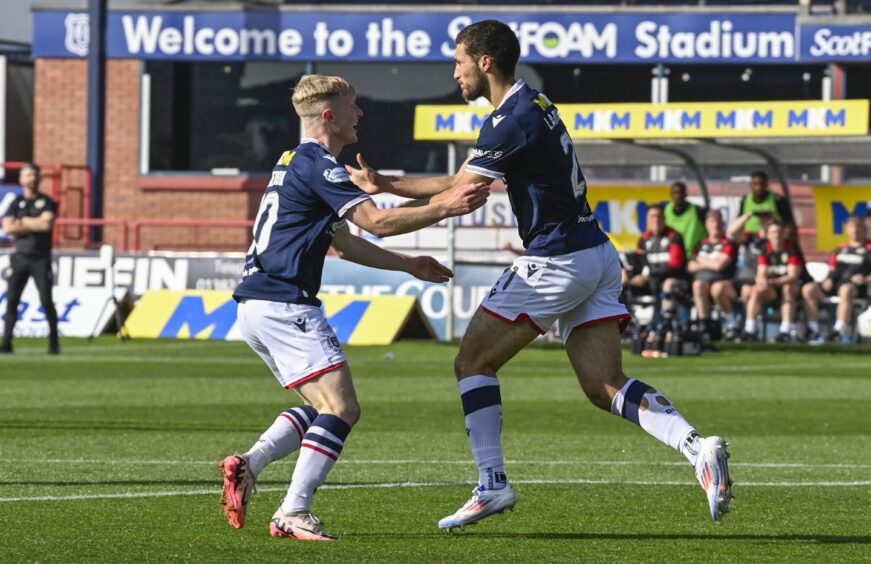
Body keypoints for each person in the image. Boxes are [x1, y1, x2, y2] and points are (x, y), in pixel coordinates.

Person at [348, 20, 732, 529]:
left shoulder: (508, 121)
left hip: (555, 261)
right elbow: (463, 177)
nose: (454, 71)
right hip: (594, 251)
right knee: (603, 385)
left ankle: (491, 484)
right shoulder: (536, 105)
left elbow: (458, 192)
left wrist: (380, 217)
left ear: (485, 62)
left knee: (472, 362)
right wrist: (389, 184)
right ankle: (697, 447)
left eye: (459, 60)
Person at [218, 75, 489, 541]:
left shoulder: (293, 161)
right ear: (329, 116)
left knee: (319, 405)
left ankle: (249, 464)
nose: (359, 114)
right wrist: (444, 206)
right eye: (352, 106)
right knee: (343, 408)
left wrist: (410, 265)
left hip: (257, 306)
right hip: (285, 303)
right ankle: (293, 511)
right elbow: (376, 223)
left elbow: (344, 244)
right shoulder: (319, 163)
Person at [1, 163, 59, 354]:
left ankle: (53, 343)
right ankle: (7, 343)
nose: (32, 178)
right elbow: (8, 227)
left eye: (34, 174)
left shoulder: (47, 201)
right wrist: (34, 222)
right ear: (21, 179)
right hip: (20, 258)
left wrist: (23, 221)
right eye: (28, 175)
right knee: (12, 301)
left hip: (41, 258)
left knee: (46, 300)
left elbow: (46, 225)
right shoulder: (15, 203)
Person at [801, 215, 870, 344]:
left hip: (854, 288)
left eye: (858, 227)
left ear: (863, 229)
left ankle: (839, 330)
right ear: (847, 230)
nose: (855, 230)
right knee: (808, 289)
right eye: (852, 227)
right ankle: (813, 329)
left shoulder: (869, 248)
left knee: (845, 289)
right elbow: (832, 268)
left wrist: (866, 278)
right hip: (835, 285)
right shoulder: (840, 248)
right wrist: (828, 278)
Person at [740, 221, 803, 342]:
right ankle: (750, 329)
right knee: (756, 290)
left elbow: (793, 276)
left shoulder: (792, 249)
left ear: (784, 234)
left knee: (788, 289)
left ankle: (785, 330)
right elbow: (761, 272)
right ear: (768, 235)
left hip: (789, 287)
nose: (776, 235)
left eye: (779, 232)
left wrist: (772, 281)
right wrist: (762, 281)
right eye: (773, 232)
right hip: (772, 288)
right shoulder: (765, 249)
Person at [629, 205, 688, 328]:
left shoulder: (674, 237)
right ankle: (627, 323)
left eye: (659, 216)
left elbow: (676, 265)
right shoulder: (644, 239)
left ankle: (660, 321)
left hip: (672, 278)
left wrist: (650, 274)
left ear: (664, 219)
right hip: (649, 278)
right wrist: (634, 276)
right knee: (623, 283)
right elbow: (638, 263)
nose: (655, 219)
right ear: (647, 219)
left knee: (662, 283)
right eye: (652, 216)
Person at [687, 210, 738, 341]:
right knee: (698, 284)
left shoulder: (728, 243)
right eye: (712, 221)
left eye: (718, 221)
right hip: (703, 284)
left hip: (726, 284)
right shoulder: (701, 244)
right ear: (706, 224)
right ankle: (705, 324)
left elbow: (719, 266)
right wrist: (710, 262)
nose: (716, 225)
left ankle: (732, 322)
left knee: (717, 288)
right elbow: (690, 267)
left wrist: (701, 261)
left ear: (723, 224)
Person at [738, 171, 795, 237]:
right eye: (755, 184)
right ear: (751, 185)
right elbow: (739, 220)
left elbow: (788, 223)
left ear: (766, 185)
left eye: (762, 184)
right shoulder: (745, 200)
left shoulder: (777, 200)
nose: (759, 188)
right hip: (749, 238)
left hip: (771, 238)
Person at [664, 181, 707, 255]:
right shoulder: (666, 210)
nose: (678, 196)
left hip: (693, 256)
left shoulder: (698, 211)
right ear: (671, 195)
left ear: (685, 195)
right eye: (675, 193)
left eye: (681, 193)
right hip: (673, 255)